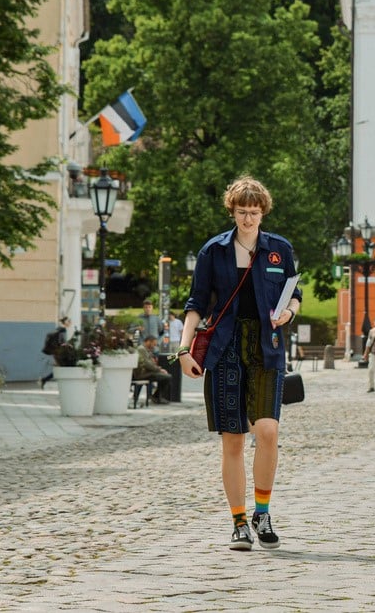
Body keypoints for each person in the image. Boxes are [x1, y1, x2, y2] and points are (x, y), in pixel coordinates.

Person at [177, 175, 301, 552]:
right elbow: (196, 303)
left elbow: (295, 295)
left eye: (254, 212)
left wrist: (289, 314)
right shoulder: (212, 251)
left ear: (263, 212)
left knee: (268, 432)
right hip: (225, 349)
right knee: (232, 440)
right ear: (232, 211)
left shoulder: (279, 249)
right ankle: (239, 521)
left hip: (266, 349)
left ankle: (263, 513)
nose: (248, 218)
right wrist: (184, 350)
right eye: (242, 212)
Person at [133, 334, 173, 404]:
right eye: (153, 344)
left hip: (147, 372)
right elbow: (147, 364)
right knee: (167, 377)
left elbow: (151, 363)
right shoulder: (141, 349)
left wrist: (158, 369)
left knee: (165, 377)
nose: (154, 346)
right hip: (143, 373)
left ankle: (157, 397)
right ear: (148, 341)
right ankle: (156, 397)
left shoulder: (146, 350)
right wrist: (159, 370)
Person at [40, 316, 71, 388]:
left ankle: (45, 379)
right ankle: (45, 379)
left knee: (61, 367)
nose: (70, 323)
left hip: (56, 352)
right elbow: (61, 342)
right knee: (63, 367)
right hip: (59, 353)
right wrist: (67, 345)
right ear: (65, 322)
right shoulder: (63, 330)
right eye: (69, 321)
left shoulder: (59, 329)